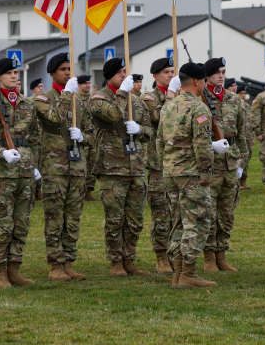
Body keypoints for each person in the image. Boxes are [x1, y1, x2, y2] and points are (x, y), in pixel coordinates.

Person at [158, 61, 225, 288]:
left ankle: (178, 272)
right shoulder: (198, 108)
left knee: (177, 222)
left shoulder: (168, 106)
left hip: (171, 171)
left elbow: (159, 141)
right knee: (197, 221)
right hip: (191, 174)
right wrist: (206, 171)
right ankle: (188, 272)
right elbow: (202, 144)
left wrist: (166, 165)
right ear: (197, 81)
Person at [0, 57, 42, 288]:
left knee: (21, 222)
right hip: (2, 174)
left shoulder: (26, 104)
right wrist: (1, 151)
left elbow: (33, 138)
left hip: (24, 171)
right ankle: (0, 272)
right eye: (10, 73)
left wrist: (33, 164)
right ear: (0, 77)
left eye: (17, 72)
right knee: (3, 223)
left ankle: (15, 269)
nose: (15, 76)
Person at [89, 57, 150, 277]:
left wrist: (139, 130)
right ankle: (116, 261)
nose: (125, 76)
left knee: (135, 219)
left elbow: (150, 130)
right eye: (120, 73)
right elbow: (113, 114)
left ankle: (129, 259)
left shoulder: (136, 101)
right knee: (115, 219)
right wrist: (123, 94)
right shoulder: (98, 99)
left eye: (126, 72)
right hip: (111, 168)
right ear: (109, 76)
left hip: (135, 167)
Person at [32, 53, 88, 282]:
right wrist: (67, 95)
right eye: (63, 69)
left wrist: (83, 137)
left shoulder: (79, 101)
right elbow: (55, 118)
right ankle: (55, 264)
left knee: (73, 217)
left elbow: (92, 132)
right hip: (55, 166)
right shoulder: (42, 99)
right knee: (55, 216)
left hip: (76, 165)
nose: (68, 72)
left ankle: (69, 261)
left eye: (69, 68)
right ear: (52, 72)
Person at [201, 57, 249, 273]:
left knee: (227, 213)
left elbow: (242, 132)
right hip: (210, 165)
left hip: (230, 164)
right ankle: (209, 256)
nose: (221, 75)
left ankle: (222, 254)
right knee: (208, 212)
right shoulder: (200, 99)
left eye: (223, 71)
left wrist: (241, 163)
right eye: (216, 72)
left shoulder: (233, 99)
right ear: (207, 76)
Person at [141, 56, 176, 274]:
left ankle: (176, 252)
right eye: (166, 72)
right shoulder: (149, 98)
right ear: (155, 76)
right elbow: (161, 118)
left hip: (178, 162)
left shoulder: (180, 96)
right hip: (158, 164)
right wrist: (171, 97)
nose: (170, 76)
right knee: (161, 212)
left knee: (176, 212)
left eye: (172, 72)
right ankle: (161, 255)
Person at [76, 74, 99, 201]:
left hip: (93, 136)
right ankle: (80, 190)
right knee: (82, 164)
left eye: (89, 83)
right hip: (81, 136)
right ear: (79, 85)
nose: (87, 85)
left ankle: (88, 190)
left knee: (92, 163)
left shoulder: (92, 100)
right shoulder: (76, 99)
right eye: (85, 83)